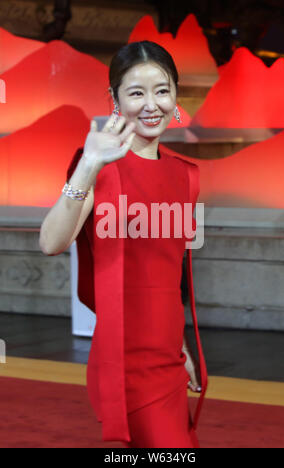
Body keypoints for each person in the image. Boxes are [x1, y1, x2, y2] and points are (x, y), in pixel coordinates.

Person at [39, 40, 207, 448]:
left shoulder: (187, 176)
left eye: (162, 90)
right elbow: (50, 242)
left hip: (169, 357)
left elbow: (168, 276)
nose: (152, 104)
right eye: (136, 92)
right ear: (114, 99)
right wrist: (88, 166)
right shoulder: (98, 167)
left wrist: (181, 346)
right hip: (123, 361)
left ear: (175, 97)